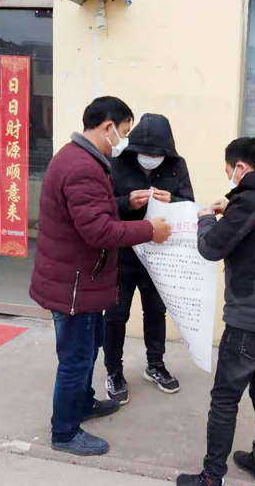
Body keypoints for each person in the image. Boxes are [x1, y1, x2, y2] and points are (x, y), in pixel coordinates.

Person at [29, 97, 171, 457]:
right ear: (108, 126)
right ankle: (64, 432)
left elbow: (94, 213)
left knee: (89, 349)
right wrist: (149, 230)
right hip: (74, 286)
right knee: (76, 360)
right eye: (123, 131)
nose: (123, 140)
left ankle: (83, 402)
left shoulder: (82, 158)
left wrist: (126, 204)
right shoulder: (82, 166)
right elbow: (98, 231)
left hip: (82, 281)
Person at [177, 138, 255, 486]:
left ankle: (211, 477)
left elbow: (210, 247)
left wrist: (205, 218)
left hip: (250, 318)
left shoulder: (247, 203)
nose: (229, 177)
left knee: (224, 399)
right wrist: (231, 205)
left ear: (241, 168)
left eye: (229, 171)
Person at [104, 113, 194, 402]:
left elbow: (189, 204)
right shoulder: (116, 163)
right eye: (146, 153)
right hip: (123, 252)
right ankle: (113, 370)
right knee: (116, 314)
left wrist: (173, 201)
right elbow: (102, 206)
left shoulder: (177, 165)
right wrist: (127, 202)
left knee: (156, 311)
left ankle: (155, 364)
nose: (151, 158)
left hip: (159, 254)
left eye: (157, 155)